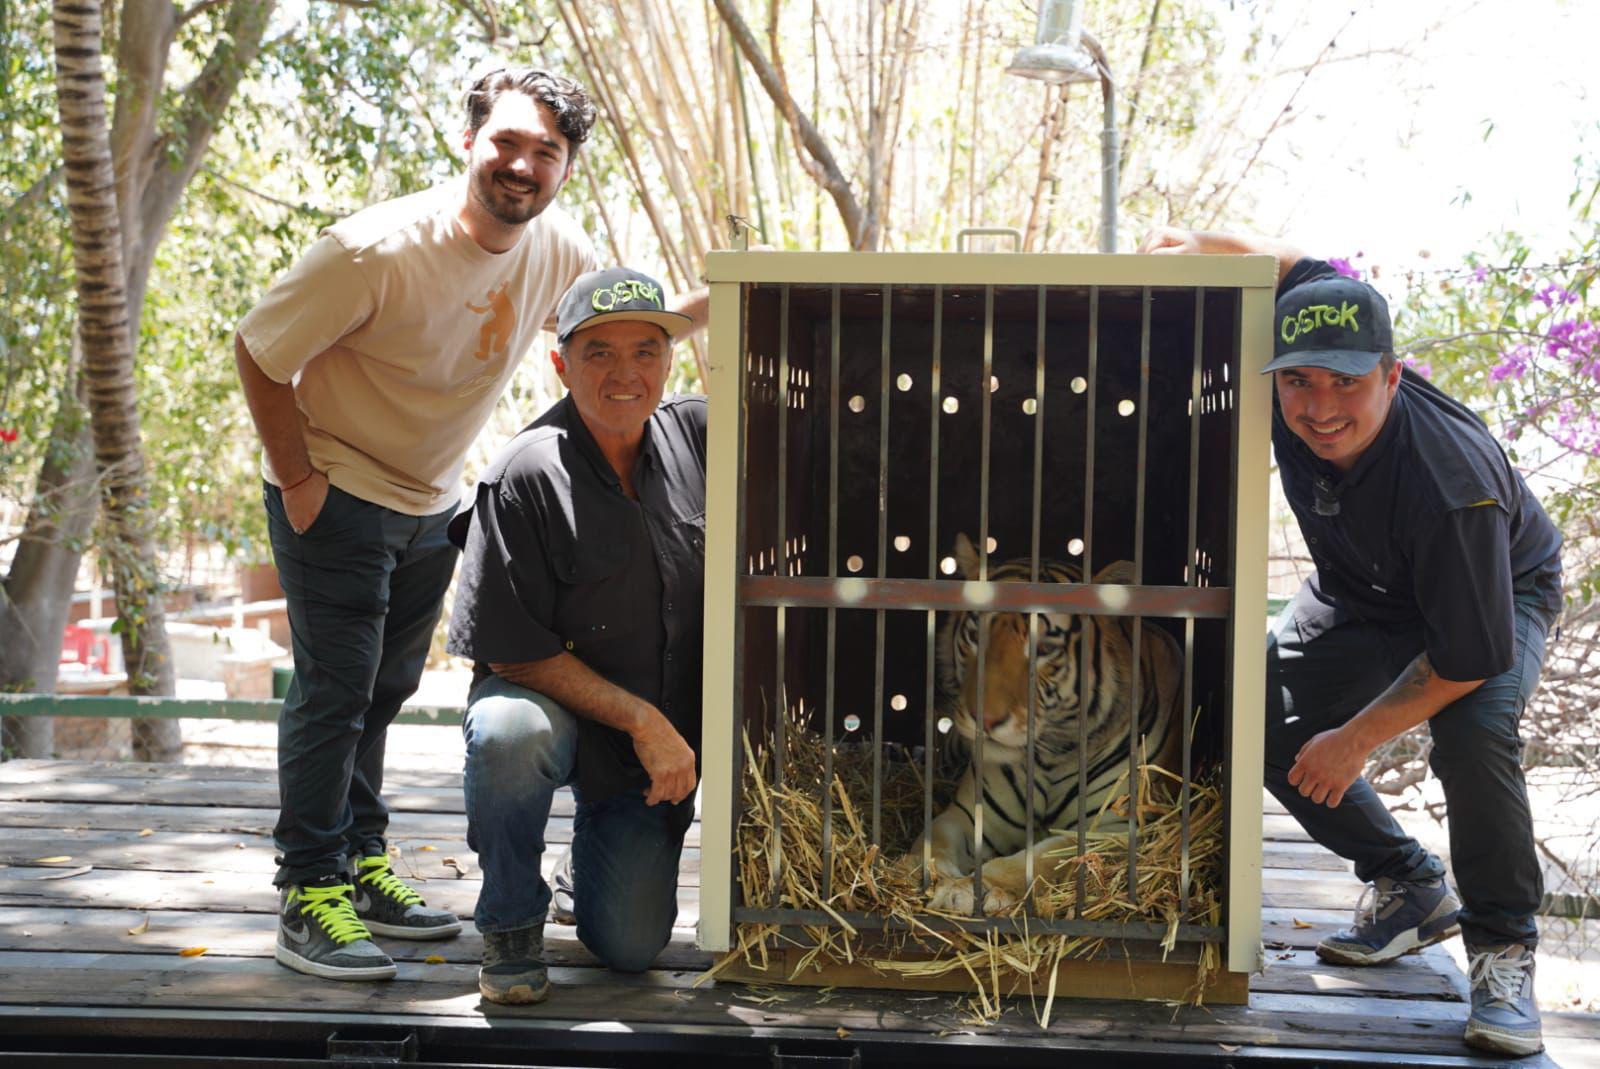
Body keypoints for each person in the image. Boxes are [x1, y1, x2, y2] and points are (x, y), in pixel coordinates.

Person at [236, 68, 642, 983]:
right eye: (507, 141)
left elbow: (623, 325)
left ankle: (362, 861)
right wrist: (299, 479)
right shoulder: (375, 249)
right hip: (334, 489)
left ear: (566, 167)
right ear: (470, 141)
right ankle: (308, 892)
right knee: (334, 693)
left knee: (379, 692)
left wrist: (732, 298)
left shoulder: (558, 247)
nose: (523, 164)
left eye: (547, 151)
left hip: (430, 500)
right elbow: (259, 350)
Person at [1141, 228, 1562, 1058]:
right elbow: (1288, 266)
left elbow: (1469, 654)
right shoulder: (1316, 327)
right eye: (1297, 382)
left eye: (1347, 382)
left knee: (1475, 733)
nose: (1320, 407)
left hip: (1488, 593)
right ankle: (1407, 879)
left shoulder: (1452, 486)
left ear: (1392, 374)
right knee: (1247, 714)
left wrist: (1354, 739)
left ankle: (1503, 951)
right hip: (1361, 587)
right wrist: (1192, 242)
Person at [445, 267, 707, 1005]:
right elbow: (510, 651)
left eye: (645, 351)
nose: (625, 374)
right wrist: (644, 720)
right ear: (560, 362)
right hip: (561, 709)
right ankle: (510, 921)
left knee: (630, 946)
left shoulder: (699, 435)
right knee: (506, 733)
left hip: (640, 759)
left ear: (668, 358)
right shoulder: (524, 472)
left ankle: (581, 868)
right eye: (599, 353)